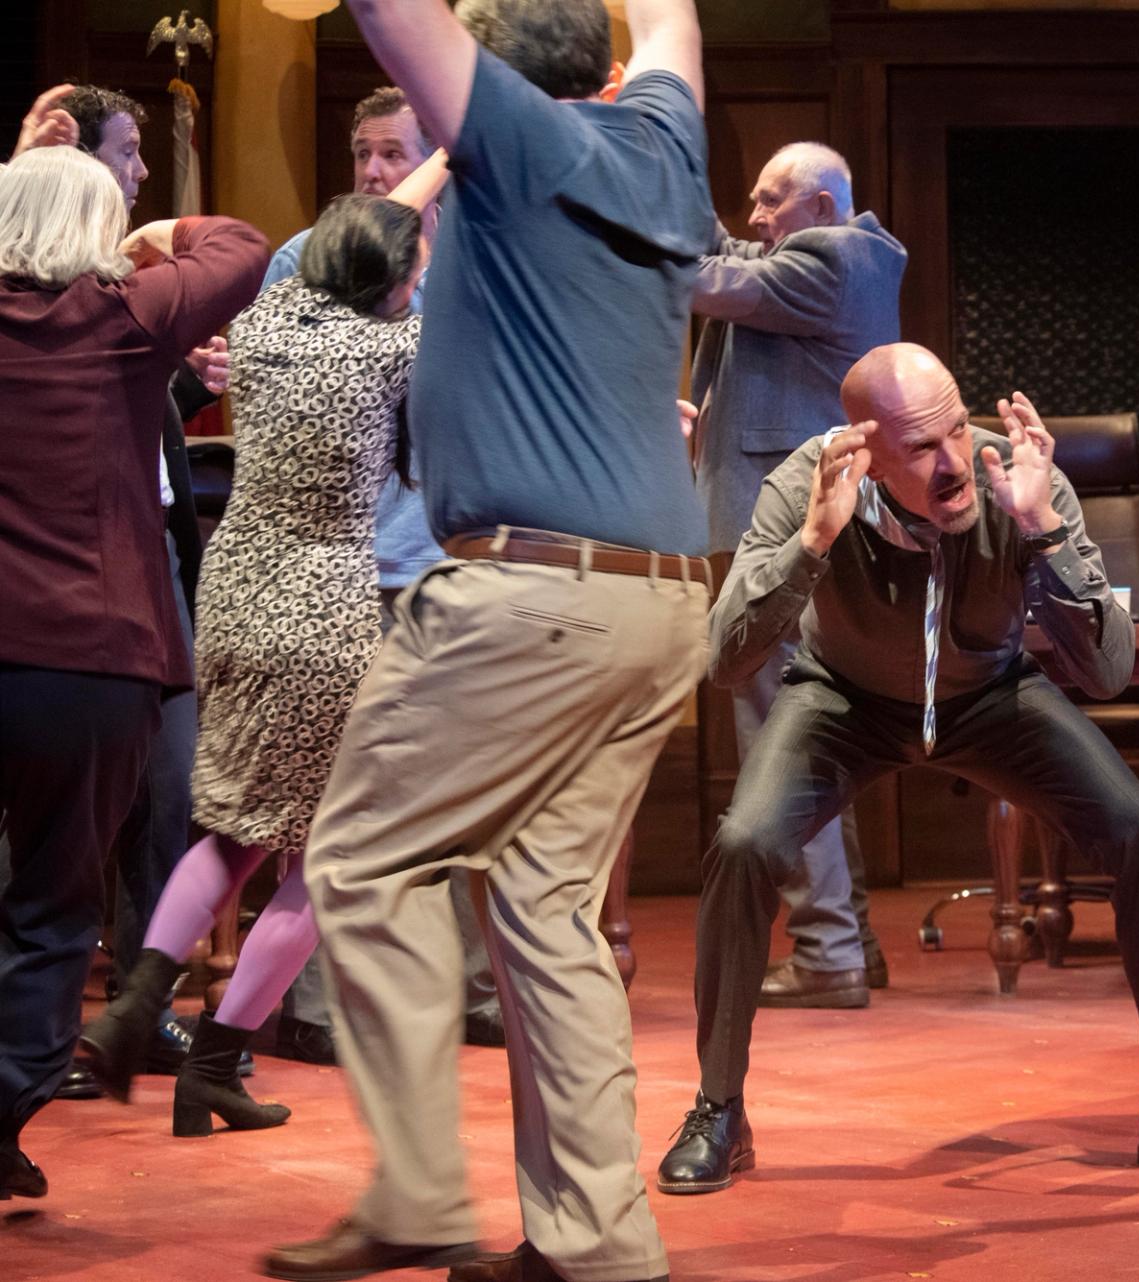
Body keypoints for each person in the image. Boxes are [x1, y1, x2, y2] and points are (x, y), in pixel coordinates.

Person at [265, 1, 714, 1278]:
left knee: (358, 858)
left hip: (531, 597)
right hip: (657, 598)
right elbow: (676, 21)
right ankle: (596, 1245)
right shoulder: (665, 140)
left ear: (491, 81)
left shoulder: (516, 142)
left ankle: (414, 1192)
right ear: (608, 63)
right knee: (546, 904)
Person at [655, 342, 1139, 1198]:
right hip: (843, 703)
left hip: (990, 696)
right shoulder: (807, 482)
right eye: (922, 450)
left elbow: (1107, 673)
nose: (954, 462)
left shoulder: (1017, 476)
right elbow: (726, 658)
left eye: (955, 433)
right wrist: (814, 542)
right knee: (744, 843)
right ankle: (720, 1109)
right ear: (867, 451)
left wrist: (1043, 532)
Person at [78, 174, 442, 1139]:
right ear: (393, 276)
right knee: (327, 855)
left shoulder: (269, 315)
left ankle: (136, 1014)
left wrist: (435, 160)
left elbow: (172, 232)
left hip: (235, 594)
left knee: (236, 827)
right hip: (324, 610)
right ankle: (214, 1057)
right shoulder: (393, 347)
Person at [0, 146, 265, 1200]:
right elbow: (242, 249)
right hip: (87, 660)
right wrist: (158, 240)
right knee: (55, 910)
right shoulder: (123, 316)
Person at [259, 85, 506, 1068]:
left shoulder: (482, 269)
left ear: (435, 157)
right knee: (334, 801)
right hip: (346, 565)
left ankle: (469, 992)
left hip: (463, 563)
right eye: (361, 152)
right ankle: (317, 1006)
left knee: (468, 794)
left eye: (389, 151)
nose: (370, 170)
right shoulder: (314, 259)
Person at [692, 140, 907, 1009]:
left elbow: (699, 277)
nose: (755, 218)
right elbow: (719, 248)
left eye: (771, 203)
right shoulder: (820, 253)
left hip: (788, 535)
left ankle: (826, 951)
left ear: (820, 206)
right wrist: (658, 139)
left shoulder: (833, 261)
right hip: (797, 530)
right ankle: (846, 934)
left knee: (783, 732)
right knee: (811, 728)